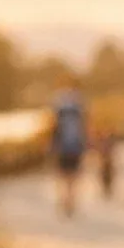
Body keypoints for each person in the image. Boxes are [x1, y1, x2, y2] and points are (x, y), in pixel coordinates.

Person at [50, 79, 87, 218]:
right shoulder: (79, 103)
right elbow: (84, 126)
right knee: (73, 177)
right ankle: (70, 201)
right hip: (75, 146)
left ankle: (64, 200)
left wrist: (52, 144)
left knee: (62, 175)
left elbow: (53, 125)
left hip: (62, 147)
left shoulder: (58, 102)